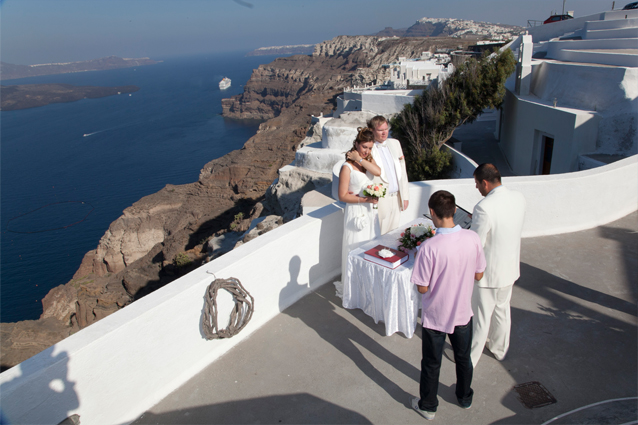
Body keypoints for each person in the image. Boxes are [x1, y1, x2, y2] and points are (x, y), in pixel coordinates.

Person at [410, 190, 486, 420]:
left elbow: (422, 288)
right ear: (454, 210)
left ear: (432, 212)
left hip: (436, 316)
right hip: (463, 313)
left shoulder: (429, 248)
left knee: (432, 364)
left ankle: (428, 406)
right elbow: (479, 275)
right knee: (464, 358)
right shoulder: (472, 238)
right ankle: (464, 398)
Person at [470, 163, 526, 367]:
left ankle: (470, 358)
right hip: (509, 269)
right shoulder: (519, 197)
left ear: (485, 182)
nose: (477, 188)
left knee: (481, 319)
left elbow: (477, 243)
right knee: (502, 311)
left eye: (477, 184)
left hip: (488, 274)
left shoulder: (484, 207)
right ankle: (499, 349)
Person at [337, 128, 382, 289]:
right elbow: (342, 196)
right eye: (364, 147)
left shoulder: (367, 161)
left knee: (370, 245)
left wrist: (361, 159)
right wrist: (366, 199)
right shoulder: (346, 167)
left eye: (370, 148)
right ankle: (355, 287)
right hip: (356, 211)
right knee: (355, 247)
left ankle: (367, 284)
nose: (367, 151)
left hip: (370, 212)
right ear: (356, 144)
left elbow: (378, 171)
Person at [368, 115, 410, 235]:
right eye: (380, 130)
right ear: (372, 130)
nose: (384, 133)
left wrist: (405, 196)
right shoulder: (369, 148)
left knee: (393, 234)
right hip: (381, 200)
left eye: (386, 129)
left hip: (397, 198)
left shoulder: (395, 143)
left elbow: (402, 171)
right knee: (379, 234)